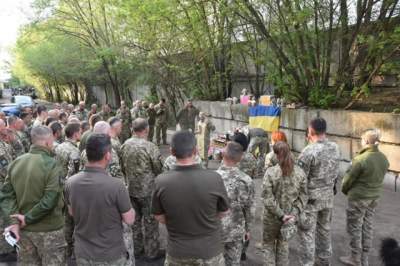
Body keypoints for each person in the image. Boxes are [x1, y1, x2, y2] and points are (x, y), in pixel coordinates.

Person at [152, 131, 230, 265]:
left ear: (171, 151)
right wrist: (205, 219)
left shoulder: (161, 181)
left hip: (178, 252)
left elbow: (159, 216)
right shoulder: (214, 178)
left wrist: (179, 221)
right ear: (196, 150)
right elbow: (223, 212)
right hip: (210, 252)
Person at [65, 133, 135, 266]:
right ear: (108, 155)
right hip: (111, 255)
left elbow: (72, 212)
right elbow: (129, 219)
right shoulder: (117, 185)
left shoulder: (70, 183)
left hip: (83, 253)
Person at [0, 126, 66, 265]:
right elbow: (50, 200)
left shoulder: (15, 163)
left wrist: (15, 221)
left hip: (25, 232)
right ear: (48, 142)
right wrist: (27, 219)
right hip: (50, 232)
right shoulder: (52, 165)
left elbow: (6, 196)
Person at [339, 129, 389, 266]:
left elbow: (347, 180)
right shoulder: (383, 158)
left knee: (355, 227)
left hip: (358, 198)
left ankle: (355, 258)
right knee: (367, 226)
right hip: (374, 197)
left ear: (366, 141)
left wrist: (345, 190)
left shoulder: (361, 159)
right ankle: (364, 258)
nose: (361, 142)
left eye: (362, 140)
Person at [297, 117, 340, 266]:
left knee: (307, 232)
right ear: (325, 130)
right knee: (324, 229)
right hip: (328, 197)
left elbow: (300, 179)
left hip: (311, 200)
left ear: (310, 131)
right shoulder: (335, 147)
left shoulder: (308, 151)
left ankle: (307, 263)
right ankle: (324, 260)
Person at [121, 118, 163, 261]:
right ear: (146, 129)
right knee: (150, 222)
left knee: (135, 221)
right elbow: (158, 168)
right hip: (148, 190)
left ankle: (137, 249)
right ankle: (152, 252)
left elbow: (122, 167)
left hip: (131, 188)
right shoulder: (150, 146)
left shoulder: (124, 145)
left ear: (133, 129)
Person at [262, 141, 308, 266]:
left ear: (276, 155)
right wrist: (293, 213)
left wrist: (280, 215)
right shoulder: (300, 173)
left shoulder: (270, 172)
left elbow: (267, 199)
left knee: (268, 245)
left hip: (271, 217)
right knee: (283, 246)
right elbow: (304, 196)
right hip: (289, 218)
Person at [217, 142, 255, 266]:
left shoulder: (212, 177)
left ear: (223, 154)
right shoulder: (246, 180)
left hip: (215, 229)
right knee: (233, 262)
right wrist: (248, 229)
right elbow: (249, 209)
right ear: (239, 158)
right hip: (236, 230)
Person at [54, 122, 81, 257]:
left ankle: (66, 249)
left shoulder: (58, 147)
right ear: (75, 134)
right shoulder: (74, 151)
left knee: (65, 220)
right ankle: (75, 251)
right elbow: (74, 174)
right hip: (70, 189)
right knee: (75, 219)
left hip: (59, 186)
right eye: (80, 132)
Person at [0, 121, 16, 262]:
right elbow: (7, 171)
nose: (6, 128)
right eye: (3, 126)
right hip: (3, 188)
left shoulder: (4, 145)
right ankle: (6, 250)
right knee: (6, 217)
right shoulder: (1, 149)